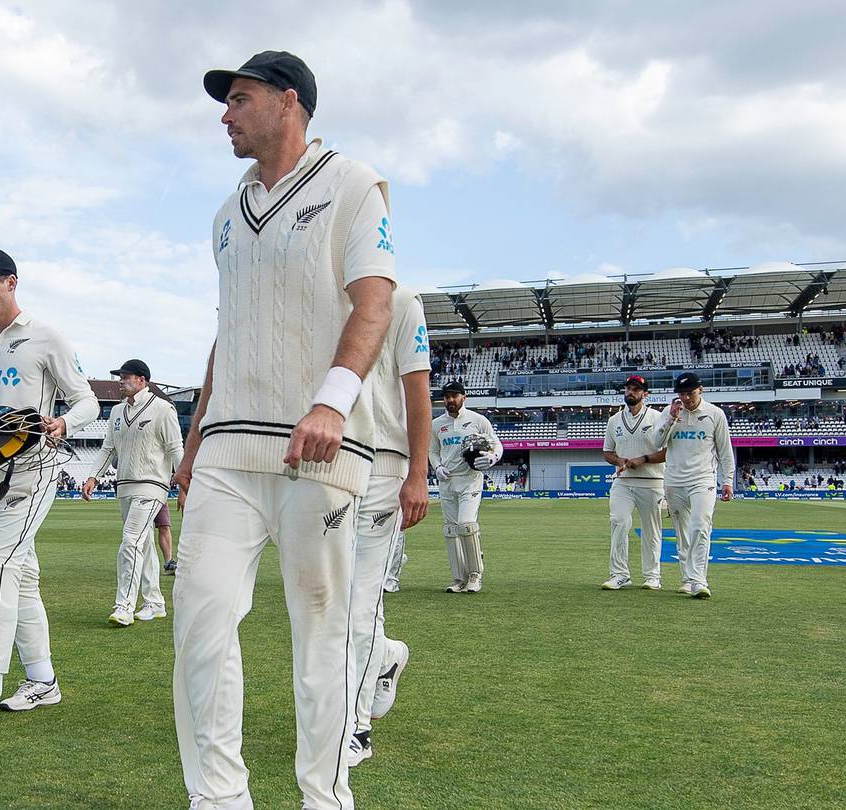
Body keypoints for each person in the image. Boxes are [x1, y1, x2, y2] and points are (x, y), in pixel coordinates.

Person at [173, 50, 395, 810]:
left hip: (320, 451)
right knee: (199, 627)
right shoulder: (226, 215)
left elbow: (375, 303)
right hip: (229, 452)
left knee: (321, 639)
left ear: (288, 101)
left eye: (238, 99)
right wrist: (196, 436)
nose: (224, 115)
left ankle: (325, 799)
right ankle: (218, 799)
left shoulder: (354, 185)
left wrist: (332, 400)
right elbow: (226, 331)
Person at [0, 248, 100, 729]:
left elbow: (87, 399)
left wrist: (64, 422)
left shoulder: (45, 337)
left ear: (11, 282)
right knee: (21, 576)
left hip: (35, 468)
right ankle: (43, 681)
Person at [346, 285, 430, 767]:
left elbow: (417, 388)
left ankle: (356, 727)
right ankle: (386, 657)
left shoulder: (402, 301)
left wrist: (418, 473)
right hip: (328, 468)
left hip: (382, 465)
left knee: (355, 607)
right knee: (340, 600)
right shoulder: (317, 293)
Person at [82, 359, 182, 626]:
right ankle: (155, 602)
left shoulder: (163, 409)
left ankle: (124, 606)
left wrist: (184, 485)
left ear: (142, 380)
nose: (120, 381)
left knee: (130, 541)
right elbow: (107, 449)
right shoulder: (116, 412)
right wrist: (93, 475)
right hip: (124, 486)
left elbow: (175, 449)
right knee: (143, 544)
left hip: (152, 486)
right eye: (119, 377)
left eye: (125, 377)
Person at [654, 372, 734, 599]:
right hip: (674, 480)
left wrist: (727, 480)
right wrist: (670, 419)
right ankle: (687, 579)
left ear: (701, 390)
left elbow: (725, 451)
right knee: (683, 532)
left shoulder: (715, 414)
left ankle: (699, 580)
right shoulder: (669, 413)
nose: (686, 398)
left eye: (690, 393)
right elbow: (656, 443)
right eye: (682, 394)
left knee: (700, 526)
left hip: (703, 479)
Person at [429, 380, 502, 593]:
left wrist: (492, 457)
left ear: (464, 397)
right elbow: (432, 450)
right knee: (451, 530)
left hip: (470, 478)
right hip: (447, 481)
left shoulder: (478, 420)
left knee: (466, 524)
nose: (450, 400)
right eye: (447, 396)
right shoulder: (436, 424)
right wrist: (437, 467)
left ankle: (474, 574)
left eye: (455, 396)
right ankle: (458, 578)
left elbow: (497, 444)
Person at [600, 375, 668, 591]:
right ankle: (620, 574)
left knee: (651, 530)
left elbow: (667, 452)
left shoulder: (657, 418)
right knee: (619, 522)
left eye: (636, 389)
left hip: (652, 481)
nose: (631, 392)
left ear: (645, 394)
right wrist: (620, 460)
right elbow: (607, 452)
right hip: (623, 481)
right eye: (628, 388)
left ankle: (652, 576)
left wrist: (644, 459)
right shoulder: (614, 420)